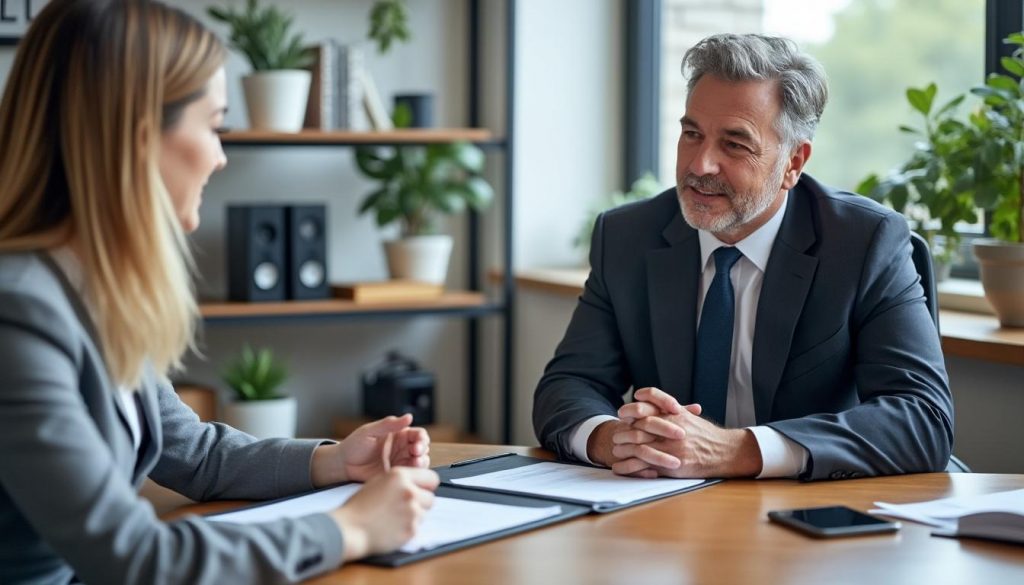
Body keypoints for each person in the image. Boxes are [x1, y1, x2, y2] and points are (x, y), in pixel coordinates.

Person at [0, 1, 438, 583]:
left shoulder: (89, 286)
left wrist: (334, 461)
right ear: (138, 140)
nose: (221, 155)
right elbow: (132, 559)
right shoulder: (19, 312)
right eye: (213, 125)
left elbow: (198, 455)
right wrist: (350, 528)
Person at [533, 33, 953, 482]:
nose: (700, 165)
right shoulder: (628, 236)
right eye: (692, 134)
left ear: (793, 163)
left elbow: (922, 417)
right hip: (665, 512)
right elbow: (568, 385)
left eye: (734, 144)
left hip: (812, 515)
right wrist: (614, 440)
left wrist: (736, 450)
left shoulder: (863, 242)